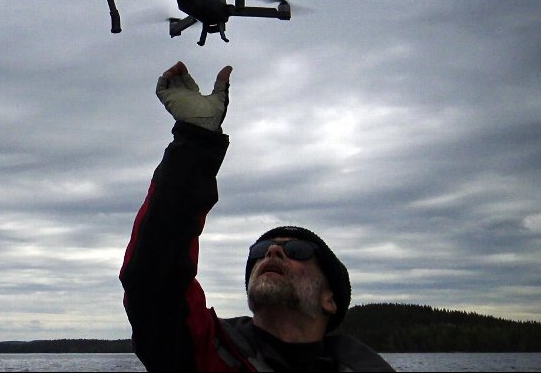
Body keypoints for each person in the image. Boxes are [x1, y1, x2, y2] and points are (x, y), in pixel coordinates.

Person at [120, 61, 394, 372]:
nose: (273, 251)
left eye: (297, 252)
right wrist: (196, 138)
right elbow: (153, 276)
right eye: (259, 252)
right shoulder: (198, 352)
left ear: (330, 300)